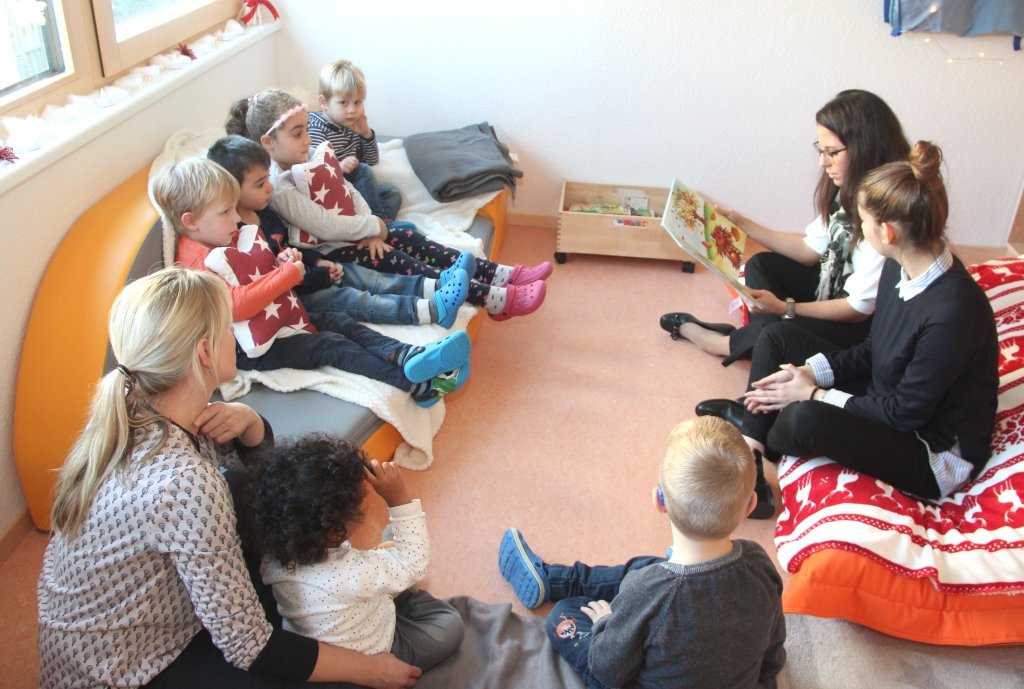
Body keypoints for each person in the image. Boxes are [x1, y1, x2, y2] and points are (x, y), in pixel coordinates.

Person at [37, 267, 423, 689]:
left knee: (249, 504)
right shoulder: (183, 483)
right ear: (204, 351)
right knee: (320, 670)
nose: (236, 336)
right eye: (228, 328)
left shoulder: (153, 411)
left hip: (137, 625)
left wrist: (253, 425)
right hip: (126, 671)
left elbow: (264, 495)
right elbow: (250, 646)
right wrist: (367, 668)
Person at [703, 141, 998, 501]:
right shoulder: (899, 263)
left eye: (865, 222)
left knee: (804, 417)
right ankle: (755, 439)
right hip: (885, 392)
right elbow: (874, 348)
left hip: (927, 448)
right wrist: (811, 373)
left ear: (888, 233)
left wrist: (813, 394)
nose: (860, 229)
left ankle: (759, 437)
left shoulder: (953, 313)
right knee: (777, 338)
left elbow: (903, 415)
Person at [153, 156, 471, 407]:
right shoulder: (194, 265)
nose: (237, 218)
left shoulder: (221, 237)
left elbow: (253, 272)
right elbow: (235, 306)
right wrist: (286, 275)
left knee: (339, 321)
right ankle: (422, 387)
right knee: (329, 345)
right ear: (190, 221)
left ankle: (408, 356)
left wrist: (279, 263)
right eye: (225, 212)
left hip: (279, 317)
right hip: (248, 349)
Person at [497, 417, 786, 689]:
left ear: (659, 500)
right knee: (651, 567)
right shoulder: (759, 562)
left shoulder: (648, 593)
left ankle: (558, 583)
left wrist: (605, 623)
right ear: (750, 506)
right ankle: (554, 580)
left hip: (638, 642)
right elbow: (773, 648)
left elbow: (606, 668)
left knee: (564, 614)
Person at [226, 88, 551, 322]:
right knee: (398, 259)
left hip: (355, 231)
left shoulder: (311, 158)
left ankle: (501, 274)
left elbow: (348, 189)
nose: (307, 140)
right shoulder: (279, 189)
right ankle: (491, 298)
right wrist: (373, 229)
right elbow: (323, 225)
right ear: (268, 143)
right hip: (330, 251)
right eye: (297, 134)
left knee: (407, 235)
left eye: (306, 131)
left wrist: (373, 225)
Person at [661, 89, 911, 366]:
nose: (822, 162)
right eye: (820, 149)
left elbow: (858, 310)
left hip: (858, 328)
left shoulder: (885, 214)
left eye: (832, 152)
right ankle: (759, 339)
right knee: (761, 266)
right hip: (835, 291)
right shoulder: (847, 190)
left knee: (781, 330)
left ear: (866, 147)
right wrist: (742, 224)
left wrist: (786, 309)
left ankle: (726, 343)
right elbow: (809, 250)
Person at [239, 434, 463, 672]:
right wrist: (398, 499)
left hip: (338, 630)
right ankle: (402, 591)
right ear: (335, 529)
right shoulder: (352, 574)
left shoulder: (272, 556)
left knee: (392, 547)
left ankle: (396, 582)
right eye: (357, 503)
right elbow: (415, 564)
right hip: (377, 645)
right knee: (450, 627)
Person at [207, 134, 469, 329]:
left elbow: (289, 249)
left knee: (370, 275)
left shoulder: (266, 213)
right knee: (359, 298)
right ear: (232, 189)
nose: (270, 188)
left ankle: (438, 285)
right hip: (302, 291)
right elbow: (277, 278)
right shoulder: (235, 234)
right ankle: (431, 310)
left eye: (267, 180)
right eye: (260, 184)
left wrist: (318, 261)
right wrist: (318, 273)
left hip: (311, 272)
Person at [308, 59, 401, 220]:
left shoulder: (351, 124)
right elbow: (314, 173)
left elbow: (371, 160)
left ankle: (377, 223)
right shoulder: (317, 128)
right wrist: (338, 167)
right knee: (362, 171)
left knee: (391, 192)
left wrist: (366, 134)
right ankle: (377, 221)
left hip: (352, 189)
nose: (352, 110)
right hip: (331, 191)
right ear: (324, 102)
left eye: (357, 102)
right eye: (343, 102)